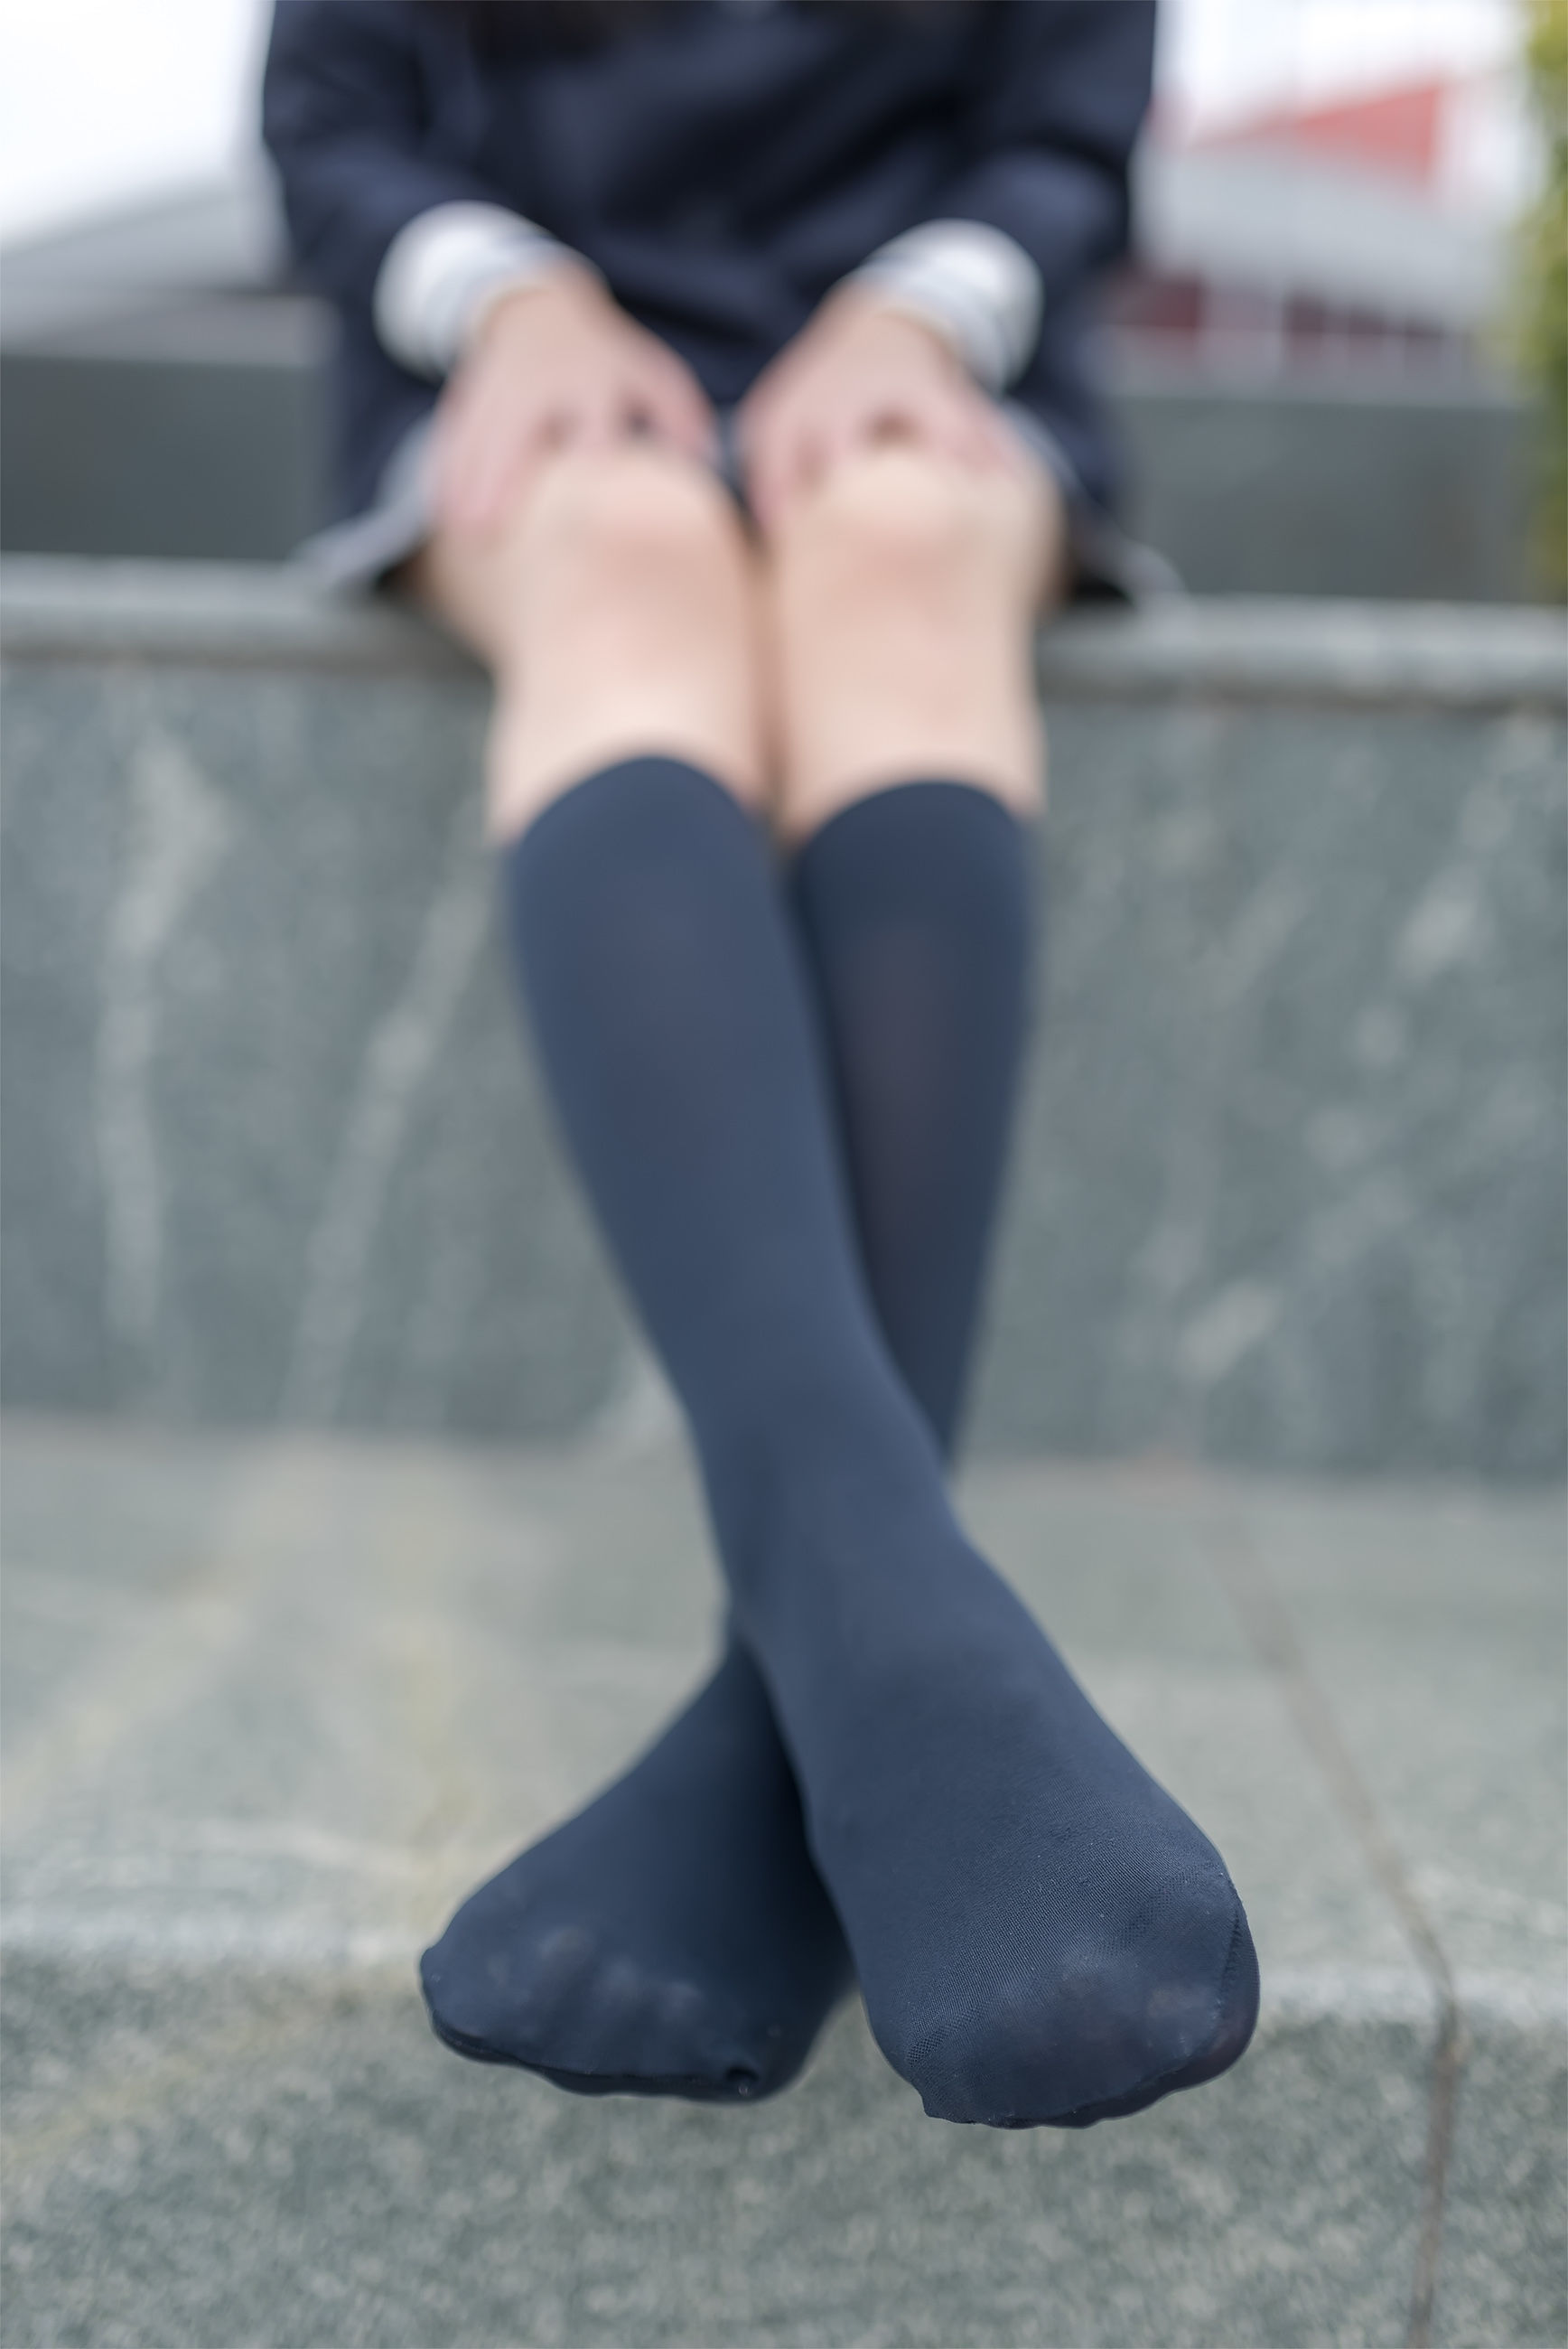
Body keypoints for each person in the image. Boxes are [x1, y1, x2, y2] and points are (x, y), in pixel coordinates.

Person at [262, 0, 1257, 2130]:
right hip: (527, 373)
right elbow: (328, 110)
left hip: (924, 367)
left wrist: (919, 314)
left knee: (890, 535)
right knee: (622, 540)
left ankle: (786, 1694)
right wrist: (511, 299)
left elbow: (1069, 127)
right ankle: (892, 1637)